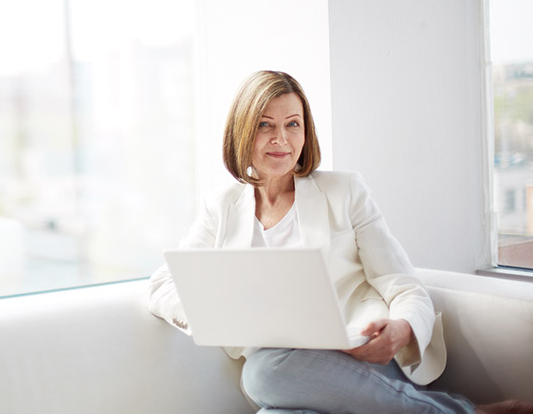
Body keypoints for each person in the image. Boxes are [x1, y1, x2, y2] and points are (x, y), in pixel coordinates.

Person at [148, 70, 533, 414]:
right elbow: (162, 284)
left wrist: (401, 329)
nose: (281, 139)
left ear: (305, 131)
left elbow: (404, 284)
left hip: (361, 358)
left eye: (292, 124)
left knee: (260, 375)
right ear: (243, 131)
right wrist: (208, 314)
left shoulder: (345, 191)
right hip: (293, 375)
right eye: (265, 125)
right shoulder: (221, 207)